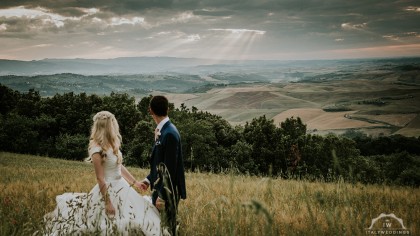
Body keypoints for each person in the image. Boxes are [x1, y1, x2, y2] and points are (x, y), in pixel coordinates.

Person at [44, 111, 161, 236]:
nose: (115, 127)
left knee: (140, 214)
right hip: (108, 189)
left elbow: (119, 166)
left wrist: (135, 183)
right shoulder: (96, 149)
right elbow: (100, 178)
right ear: (108, 127)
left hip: (122, 186)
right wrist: (108, 202)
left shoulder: (113, 142)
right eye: (113, 124)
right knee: (108, 223)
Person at [139, 95, 187, 235]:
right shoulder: (163, 130)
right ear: (168, 109)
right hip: (159, 187)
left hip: (166, 192)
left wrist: (163, 196)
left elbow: (169, 169)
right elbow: (160, 163)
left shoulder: (170, 133)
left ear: (150, 111)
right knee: (159, 229)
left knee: (166, 228)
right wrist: (148, 179)